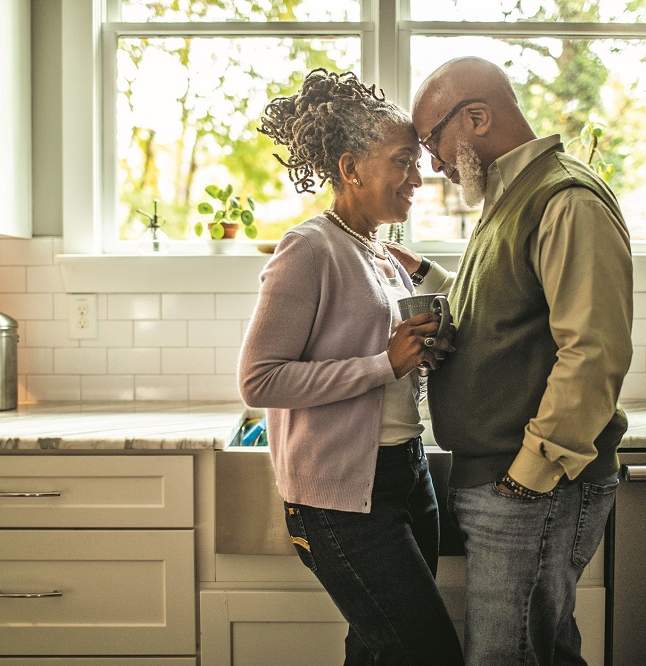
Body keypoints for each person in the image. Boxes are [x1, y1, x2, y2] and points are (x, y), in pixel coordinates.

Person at [385, 56, 633, 665]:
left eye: (432, 141)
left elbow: (593, 351)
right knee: (542, 648)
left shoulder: (565, 199)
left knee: (506, 656)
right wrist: (429, 279)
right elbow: (513, 304)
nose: (432, 163)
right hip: (505, 480)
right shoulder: (509, 197)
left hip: (529, 484)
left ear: (476, 116)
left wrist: (529, 473)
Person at [238, 68, 464, 665]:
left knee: (375, 651)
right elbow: (261, 379)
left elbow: (390, 356)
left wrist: (418, 354)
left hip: (406, 475)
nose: (418, 177)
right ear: (350, 167)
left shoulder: (379, 252)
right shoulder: (309, 247)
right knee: (429, 654)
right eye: (402, 161)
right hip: (341, 499)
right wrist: (383, 364)